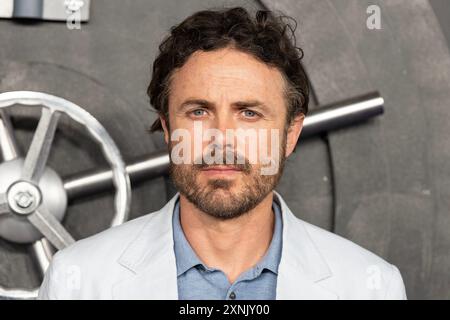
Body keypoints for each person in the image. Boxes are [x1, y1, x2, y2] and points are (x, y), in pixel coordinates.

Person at [38, 7, 406, 300]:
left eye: (249, 113)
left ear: (290, 134)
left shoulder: (371, 287)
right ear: (168, 129)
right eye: (198, 112)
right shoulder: (77, 281)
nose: (221, 140)